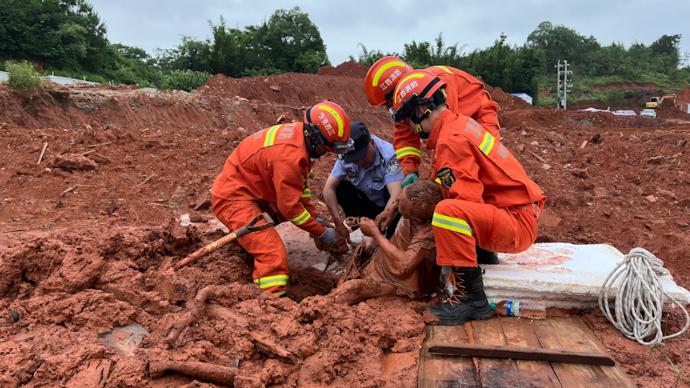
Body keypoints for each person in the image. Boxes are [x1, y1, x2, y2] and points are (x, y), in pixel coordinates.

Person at [391, 70, 546, 324]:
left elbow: (465, 202)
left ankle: (471, 300)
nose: (408, 127)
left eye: (408, 119)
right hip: (516, 213)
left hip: (517, 222)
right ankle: (483, 255)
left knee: (448, 212)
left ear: (421, 111)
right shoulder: (458, 125)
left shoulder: (450, 140)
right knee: (449, 207)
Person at [364, 56, 502, 264]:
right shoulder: (409, 99)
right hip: (454, 128)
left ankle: (481, 248)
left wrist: (433, 180)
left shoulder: (435, 85)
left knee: (473, 178)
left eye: (387, 102)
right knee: (448, 183)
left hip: (478, 117)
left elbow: (448, 137)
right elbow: (404, 137)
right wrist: (410, 171)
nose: (387, 109)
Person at [210, 101, 353, 297]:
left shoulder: (300, 139)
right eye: (327, 148)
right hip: (233, 197)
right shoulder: (290, 157)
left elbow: (299, 190)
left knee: (278, 227)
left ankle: (252, 244)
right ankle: (270, 300)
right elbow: (290, 208)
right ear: (316, 139)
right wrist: (321, 232)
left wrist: (315, 218)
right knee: (272, 254)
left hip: (255, 191)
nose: (327, 153)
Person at [331, 180, 442, 305]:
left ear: (416, 216)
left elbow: (404, 266)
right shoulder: (413, 202)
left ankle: (318, 309)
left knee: (351, 289)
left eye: (404, 210)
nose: (399, 206)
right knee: (350, 272)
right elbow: (402, 197)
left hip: (399, 283)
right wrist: (391, 209)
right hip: (384, 265)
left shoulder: (429, 233)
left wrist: (376, 234)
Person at [322, 122, 403, 240]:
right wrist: (338, 223)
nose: (360, 162)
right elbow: (328, 189)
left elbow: (396, 197)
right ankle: (360, 232)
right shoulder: (346, 154)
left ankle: (387, 234)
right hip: (369, 205)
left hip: (390, 209)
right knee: (341, 187)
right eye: (355, 160)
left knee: (396, 201)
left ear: (372, 143)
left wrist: (375, 233)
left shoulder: (389, 156)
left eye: (362, 156)